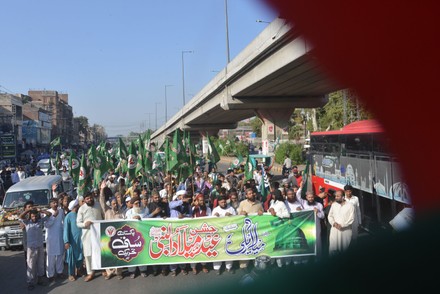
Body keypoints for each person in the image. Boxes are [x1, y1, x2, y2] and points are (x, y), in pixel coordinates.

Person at [19, 207, 52, 290]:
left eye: (35, 216)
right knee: (31, 264)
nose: (34, 218)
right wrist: (28, 210)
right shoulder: (27, 222)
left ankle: (40, 279)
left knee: (40, 264)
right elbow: (20, 216)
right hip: (31, 248)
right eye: (32, 216)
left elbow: (49, 214)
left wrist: (40, 210)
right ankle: (30, 282)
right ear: (30, 216)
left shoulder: (40, 221)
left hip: (40, 246)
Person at [99, 182, 124, 280]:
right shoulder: (107, 211)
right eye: (113, 204)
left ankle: (119, 272)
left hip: (118, 237)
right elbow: (101, 201)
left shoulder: (121, 213)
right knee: (108, 254)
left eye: (116, 203)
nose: (115, 205)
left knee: (118, 254)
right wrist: (102, 190)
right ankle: (109, 272)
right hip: (108, 236)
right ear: (110, 204)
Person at [76, 191, 103, 282]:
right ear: (84, 200)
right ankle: (90, 272)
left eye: (90, 197)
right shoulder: (81, 209)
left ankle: (103, 269)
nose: (90, 199)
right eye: (87, 198)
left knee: (100, 251)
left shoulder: (98, 205)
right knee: (88, 254)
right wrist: (84, 224)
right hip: (87, 234)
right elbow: (78, 223)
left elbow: (103, 216)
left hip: (99, 232)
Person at [236, 187, 264, 270]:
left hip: (255, 230)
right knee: (245, 248)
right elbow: (238, 213)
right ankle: (244, 265)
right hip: (245, 230)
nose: (252, 195)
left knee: (256, 246)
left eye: (252, 193)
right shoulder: (242, 203)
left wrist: (261, 212)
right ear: (246, 196)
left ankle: (256, 264)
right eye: (250, 194)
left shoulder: (258, 203)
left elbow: (263, 213)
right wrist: (241, 213)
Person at [296, 184, 325, 259]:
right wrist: (300, 188)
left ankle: (318, 258)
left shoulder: (319, 205)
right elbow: (297, 196)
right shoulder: (304, 203)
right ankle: (307, 257)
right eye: (309, 197)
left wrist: (318, 212)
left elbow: (323, 216)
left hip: (316, 226)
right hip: (307, 226)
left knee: (317, 241)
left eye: (312, 197)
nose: (311, 199)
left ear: (314, 197)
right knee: (307, 240)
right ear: (306, 198)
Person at [168, 190, 193, 276]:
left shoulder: (188, 206)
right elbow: (170, 205)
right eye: (183, 196)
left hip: (183, 230)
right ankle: (173, 269)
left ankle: (183, 267)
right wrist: (182, 201)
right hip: (173, 230)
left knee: (182, 249)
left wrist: (184, 216)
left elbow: (191, 216)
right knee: (173, 249)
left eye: (185, 196)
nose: (185, 197)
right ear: (179, 197)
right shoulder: (173, 204)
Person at [212, 196, 237, 275]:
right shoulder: (215, 210)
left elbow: (237, 220)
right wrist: (214, 217)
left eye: (225, 202)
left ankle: (228, 267)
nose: (224, 203)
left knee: (229, 250)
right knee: (218, 250)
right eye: (222, 202)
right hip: (218, 234)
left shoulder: (231, 209)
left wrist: (231, 216)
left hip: (229, 233)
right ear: (218, 202)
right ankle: (217, 268)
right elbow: (210, 221)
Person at [125, 196, 149, 278]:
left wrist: (140, 218)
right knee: (132, 254)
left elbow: (148, 220)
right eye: (136, 203)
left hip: (142, 235)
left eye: (139, 203)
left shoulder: (145, 210)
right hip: (131, 236)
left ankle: (143, 270)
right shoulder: (128, 212)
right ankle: (132, 271)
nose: (138, 204)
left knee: (142, 253)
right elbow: (126, 222)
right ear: (132, 204)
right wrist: (133, 218)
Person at [327, 190, 355, 256]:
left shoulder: (350, 206)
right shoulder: (334, 205)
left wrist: (342, 225)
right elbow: (330, 216)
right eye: (335, 196)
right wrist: (334, 223)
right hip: (335, 230)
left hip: (345, 232)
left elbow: (351, 219)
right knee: (333, 250)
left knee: (344, 251)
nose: (336, 197)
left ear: (343, 197)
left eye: (338, 196)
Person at [45, 198, 66, 282]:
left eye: (56, 203)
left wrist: (65, 234)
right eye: (54, 203)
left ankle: (60, 272)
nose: (55, 204)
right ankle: (50, 274)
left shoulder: (60, 211)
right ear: (50, 204)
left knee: (60, 255)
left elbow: (63, 222)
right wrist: (53, 216)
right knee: (51, 257)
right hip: (51, 238)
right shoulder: (47, 212)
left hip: (60, 236)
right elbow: (46, 225)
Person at [190, 194, 212, 275]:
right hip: (195, 233)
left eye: (203, 200)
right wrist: (192, 205)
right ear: (197, 201)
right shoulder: (193, 208)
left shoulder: (208, 209)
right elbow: (189, 217)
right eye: (200, 200)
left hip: (204, 232)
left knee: (203, 249)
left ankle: (203, 266)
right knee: (194, 250)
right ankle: (193, 267)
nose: (202, 202)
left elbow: (210, 219)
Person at [63, 199, 84, 281]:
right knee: (71, 258)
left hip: (80, 240)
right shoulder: (68, 216)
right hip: (72, 241)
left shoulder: (79, 215)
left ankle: (78, 271)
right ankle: (71, 274)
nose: (78, 206)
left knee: (80, 256)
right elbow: (66, 230)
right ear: (75, 206)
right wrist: (66, 241)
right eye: (77, 205)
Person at [268, 190, 290, 268]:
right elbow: (270, 209)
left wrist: (276, 213)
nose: (271, 196)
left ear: (275, 195)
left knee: (279, 245)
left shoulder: (281, 203)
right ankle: (273, 262)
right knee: (273, 244)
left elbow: (287, 215)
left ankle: (281, 264)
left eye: (272, 195)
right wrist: (270, 210)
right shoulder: (272, 202)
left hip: (280, 226)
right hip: (273, 227)